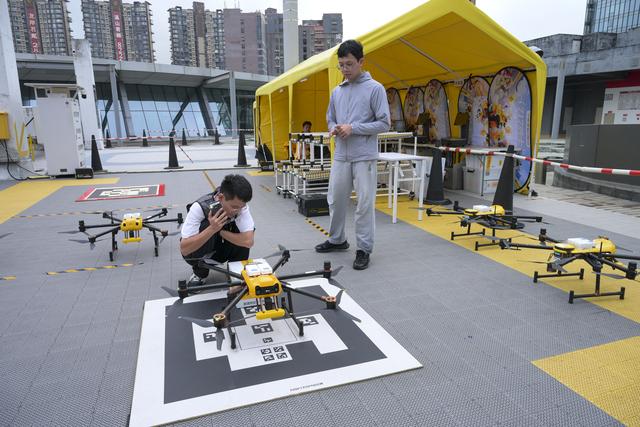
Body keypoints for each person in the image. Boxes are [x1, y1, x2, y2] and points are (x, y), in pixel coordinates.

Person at [315, 39, 390, 270]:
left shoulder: (375, 89)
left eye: (349, 64)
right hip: (341, 155)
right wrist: (333, 128)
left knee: (364, 205)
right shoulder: (337, 91)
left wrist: (353, 128)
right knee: (336, 200)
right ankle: (337, 239)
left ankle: (363, 249)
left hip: (364, 156)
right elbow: (330, 117)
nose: (345, 69)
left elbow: (384, 123)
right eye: (341, 65)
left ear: (361, 62)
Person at [180, 174, 255, 286]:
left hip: (223, 248)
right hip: (204, 251)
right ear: (220, 198)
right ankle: (200, 273)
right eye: (234, 207)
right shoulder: (199, 207)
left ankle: (235, 272)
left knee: (244, 232)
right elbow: (185, 249)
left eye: (241, 207)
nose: (238, 211)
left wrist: (219, 231)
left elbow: (248, 241)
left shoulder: (240, 206)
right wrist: (211, 229)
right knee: (205, 225)